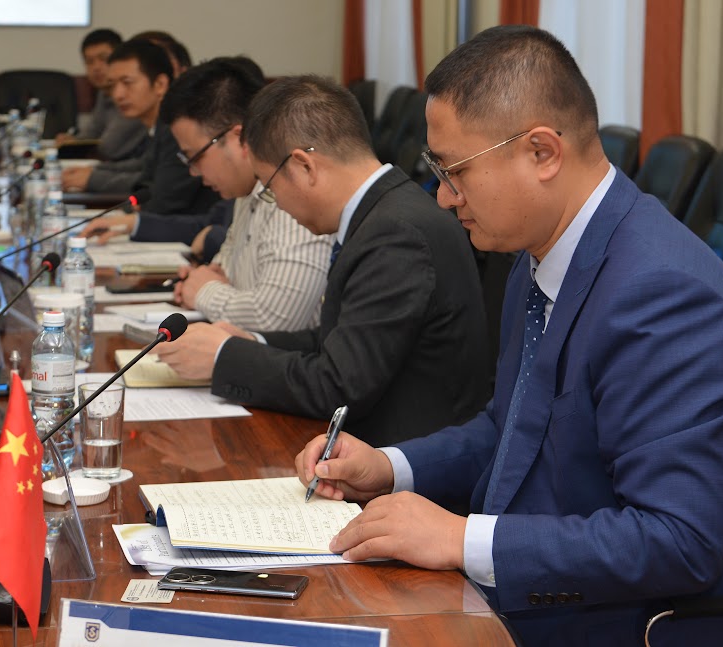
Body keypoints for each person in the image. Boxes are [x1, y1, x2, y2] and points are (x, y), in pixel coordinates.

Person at [295, 26, 723, 647]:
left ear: (542, 152)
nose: (442, 197)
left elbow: (678, 541)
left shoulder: (664, 296)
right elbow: (512, 430)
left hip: (668, 627)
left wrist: (460, 538)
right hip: (574, 597)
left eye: (455, 171)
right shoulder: (541, 254)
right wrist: (390, 467)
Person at [154, 75, 490, 447]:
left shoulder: (395, 233)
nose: (278, 203)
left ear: (304, 166)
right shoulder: (384, 212)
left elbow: (339, 386)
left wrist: (223, 356)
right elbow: (340, 338)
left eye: (270, 187)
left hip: (405, 459)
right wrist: (250, 340)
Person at [92, 57, 331, 331]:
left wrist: (203, 292)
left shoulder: (289, 193)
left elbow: (274, 319)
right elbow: (223, 271)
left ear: (238, 138)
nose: (193, 172)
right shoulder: (245, 191)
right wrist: (205, 282)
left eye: (195, 156)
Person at [62, 39, 219, 217]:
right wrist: (96, 172)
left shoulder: (177, 130)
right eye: (112, 85)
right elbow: (144, 174)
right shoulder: (158, 126)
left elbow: (162, 201)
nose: (118, 95)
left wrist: (96, 181)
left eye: (127, 82)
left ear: (160, 84)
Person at [55, 28, 146, 162]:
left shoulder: (132, 96)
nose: (96, 68)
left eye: (104, 59)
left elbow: (110, 147)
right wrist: (71, 142)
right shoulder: (103, 93)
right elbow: (92, 133)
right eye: (89, 61)